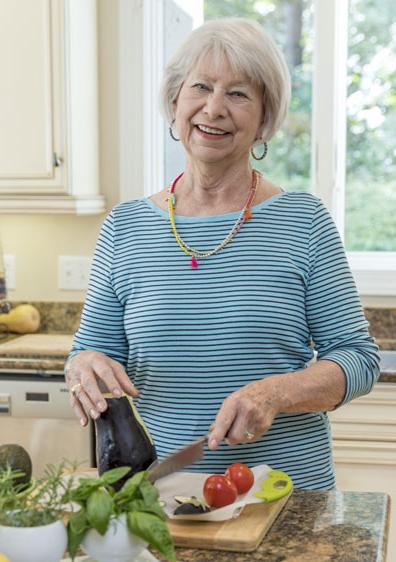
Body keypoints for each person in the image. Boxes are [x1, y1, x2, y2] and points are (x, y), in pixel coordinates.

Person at [65, 18, 379, 490]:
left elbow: (358, 359)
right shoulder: (126, 226)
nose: (214, 108)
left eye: (238, 94)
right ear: (175, 102)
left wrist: (275, 393)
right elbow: (92, 351)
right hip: (163, 499)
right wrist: (83, 366)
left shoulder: (303, 221)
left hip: (284, 497)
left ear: (263, 118)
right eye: (201, 87)